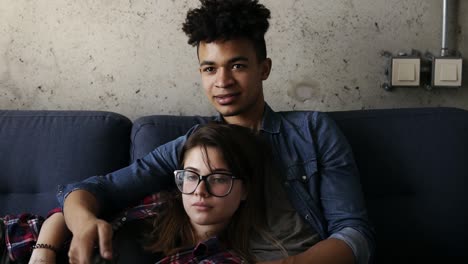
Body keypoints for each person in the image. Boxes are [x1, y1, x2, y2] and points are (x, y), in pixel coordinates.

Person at [57, 0, 375, 263]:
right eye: (210, 68)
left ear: (263, 68)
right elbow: (91, 189)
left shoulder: (312, 130)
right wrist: (84, 222)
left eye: (237, 65)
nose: (222, 81)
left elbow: (354, 234)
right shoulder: (195, 147)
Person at [17, 123, 281, 263]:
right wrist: (43, 254)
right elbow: (63, 211)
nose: (200, 191)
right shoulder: (157, 203)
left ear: (244, 189)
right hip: (20, 240)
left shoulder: (223, 259)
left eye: (218, 178)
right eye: (191, 176)